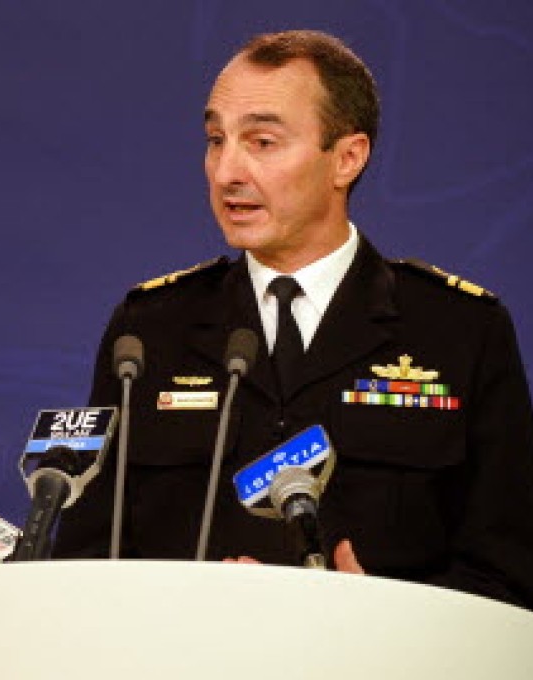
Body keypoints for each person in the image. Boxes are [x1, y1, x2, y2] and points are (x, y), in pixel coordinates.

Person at [53, 29, 533, 609]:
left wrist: (382, 616)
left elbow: (507, 577)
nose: (227, 171)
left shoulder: (459, 330)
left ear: (347, 158)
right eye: (215, 140)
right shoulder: (148, 332)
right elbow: (84, 565)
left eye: (262, 142)